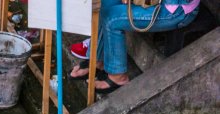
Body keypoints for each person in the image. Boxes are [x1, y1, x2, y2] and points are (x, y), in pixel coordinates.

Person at [68, 0, 199, 94]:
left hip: (176, 10)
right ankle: (100, 57)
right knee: (107, 3)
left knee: (112, 19)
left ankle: (118, 76)